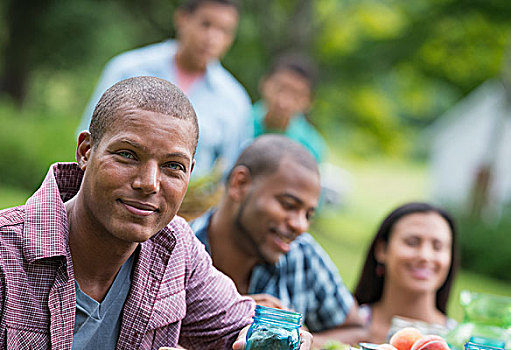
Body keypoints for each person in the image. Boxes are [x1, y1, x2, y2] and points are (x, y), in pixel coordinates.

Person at [0, 76, 313, 349]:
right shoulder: (6, 253)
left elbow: (238, 328)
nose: (149, 183)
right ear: (85, 151)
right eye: (127, 155)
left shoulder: (176, 248)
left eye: (172, 167)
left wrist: (286, 339)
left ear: (190, 172)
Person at [190, 134, 365, 347]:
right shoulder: (177, 254)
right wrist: (231, 315)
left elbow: (358, 332)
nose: (300, 225)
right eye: (288, 205)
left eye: (308, 214)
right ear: (240, 184)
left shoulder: (302, 254)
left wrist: (293, 340)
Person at [77, 0, 252, 179]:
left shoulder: (234, 100)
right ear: (182, 19)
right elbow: (91, 137)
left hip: (194, 206)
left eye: (224, 30)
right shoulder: (128, 69)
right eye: (205, 24)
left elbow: (227, 173)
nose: (212, 37)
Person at [354, 202, 460, 344]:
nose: (425, 256)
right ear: (382, 250)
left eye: (437, 246)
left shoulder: (461, 341)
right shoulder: (344, 326)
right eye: (412, 242)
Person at [252, 53, 327, 163]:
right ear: (264, 83)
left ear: (309, 101)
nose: (283, 102)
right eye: (280, 88)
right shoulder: (237, 120)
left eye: (296, 95)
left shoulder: (311, 147)